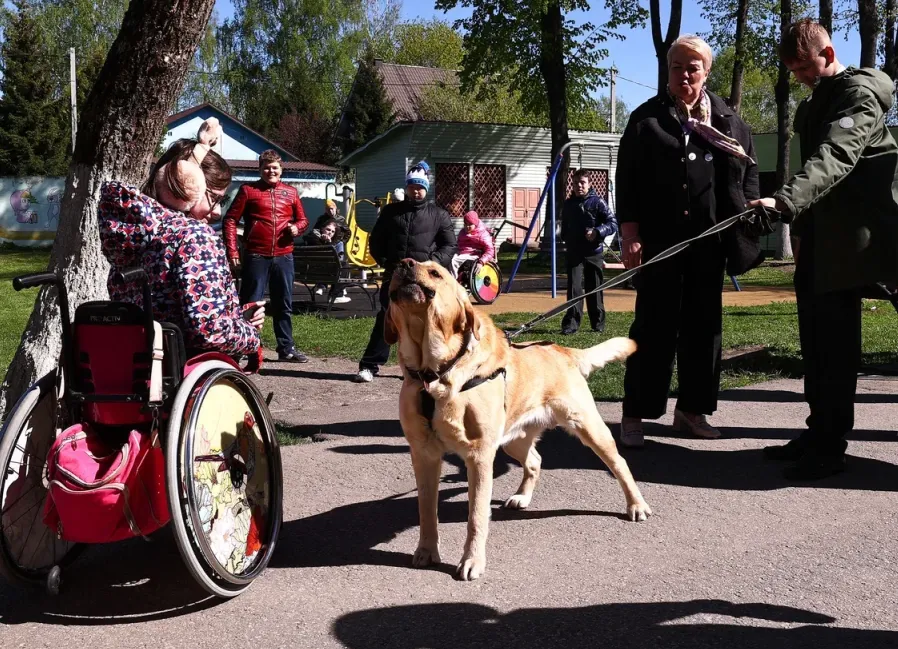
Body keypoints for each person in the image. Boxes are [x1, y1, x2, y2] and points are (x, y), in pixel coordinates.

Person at [749, 19, 898, 480]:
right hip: (828, 246)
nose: (801, 79)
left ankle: (828, 442)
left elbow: (836, 154)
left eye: (805, 69)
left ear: (828, 55)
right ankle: (824, 437)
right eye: (794, 72)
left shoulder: (860, 95)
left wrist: (785, 198)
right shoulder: (813, 106)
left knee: (831, 344)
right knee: (823, 346)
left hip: (879, 239)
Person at [615, 34, 759, 448]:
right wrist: (630, 235)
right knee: (653, 326)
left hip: (709, 245)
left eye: (692, 67)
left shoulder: (728, 121)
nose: (684, 74)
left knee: (704, 329)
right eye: (677, 66)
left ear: (706, 72)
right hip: (660, 245)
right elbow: (627, 182)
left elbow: (748, 170)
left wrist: (748, 212)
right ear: (668, 71)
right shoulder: (647, 120)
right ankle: (635, 413)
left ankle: (691, 412)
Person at [98, 118, 264, 361]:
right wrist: (251, 335)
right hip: (184, 365)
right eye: (214, 198)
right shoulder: (194, 236)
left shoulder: (131, 236)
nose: (217, 211)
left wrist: (237, 314)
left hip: (134, 364)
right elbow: (210, 330)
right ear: (188, 186)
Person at [353, 161, 457, 383]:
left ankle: (424, 368)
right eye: (412, 186)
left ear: (426, 189)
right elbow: (376, 240)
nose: (416, 191)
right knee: (387, 317)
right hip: (396, 276)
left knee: (427, 321)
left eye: (420, 187)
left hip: (424, 280)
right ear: (407, 188)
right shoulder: (391, 212)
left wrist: (430, 266)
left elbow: (449, 245)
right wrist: (386, 262)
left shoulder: (439, 215)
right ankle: (370, 365)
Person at [224, 149, 309, 363]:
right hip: (256, 255)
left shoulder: (290, 193)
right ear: (260, 169)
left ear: (281, 170)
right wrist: (232, 250)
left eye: (275, 167)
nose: (271, 171)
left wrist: (297, 228)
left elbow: (304, 220)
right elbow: (231, 220)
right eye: (266, 167)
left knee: (284, 303)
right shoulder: (248, 191)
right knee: (251, 303)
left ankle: (286, 348)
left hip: (284, 255)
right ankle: (246, 346)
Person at [560, 170, 618, 335]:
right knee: (574, 288)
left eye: (582, 182)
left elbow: (612, 222)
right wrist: (566, 237)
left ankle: (598, 323)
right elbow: (565, 225)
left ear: (589, 184)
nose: (579, 186)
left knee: (595, 288)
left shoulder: (598, 202)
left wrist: (598, 231)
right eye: (576, 182)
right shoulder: (569, 204)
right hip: (574, 251)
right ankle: (571, 323)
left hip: (594, 251)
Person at [304, 216, 351, 304]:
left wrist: (329, 242)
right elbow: (322, 256)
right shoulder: (314, 238)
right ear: (322, 229)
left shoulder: (325, 240)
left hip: (314, 272)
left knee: (342, 261)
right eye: (328, 229)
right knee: (343, 266)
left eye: (333, 231)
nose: (330, 233)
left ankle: (337, 293)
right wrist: (328, 243)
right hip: (317, 270)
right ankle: (336, 295)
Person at [451, 210, 496, 278]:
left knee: (453, 261)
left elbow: (490, 250)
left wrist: (481, 262)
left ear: (475, 224)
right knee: (447, 259)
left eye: (470, 224)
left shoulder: (483, 234)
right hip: (462, 253)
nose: (467, 226)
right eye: (465, 224)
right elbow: (458, 245)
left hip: (475, 254)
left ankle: (453, 282)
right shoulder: (462, 232)